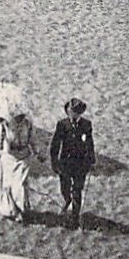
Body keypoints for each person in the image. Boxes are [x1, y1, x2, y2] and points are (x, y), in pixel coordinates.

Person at [49, 98, 96, 229]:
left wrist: (91, 159)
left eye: (75, 112)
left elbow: (89, 143)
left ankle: (75, 217)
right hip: (65, 162)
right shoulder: (62, 124)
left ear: (80, 113)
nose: (72, 114)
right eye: (70, 111)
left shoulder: (87, 124)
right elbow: (55, 143)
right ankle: (67, 200)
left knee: (77, 190)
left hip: (81, 163)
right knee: (64, 187)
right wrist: (54, 160)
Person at [0, 110, 35, 222]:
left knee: (20, 184)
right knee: (7, 185)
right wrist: (3, 140)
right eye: (18, 115)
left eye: (22, 115)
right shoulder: (5, 124)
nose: (20, 117)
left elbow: (32, 140)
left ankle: (22, 211)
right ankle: (10, 210)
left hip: (23, 157)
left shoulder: (28, 124)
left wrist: (37, 153)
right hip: (9, 158)